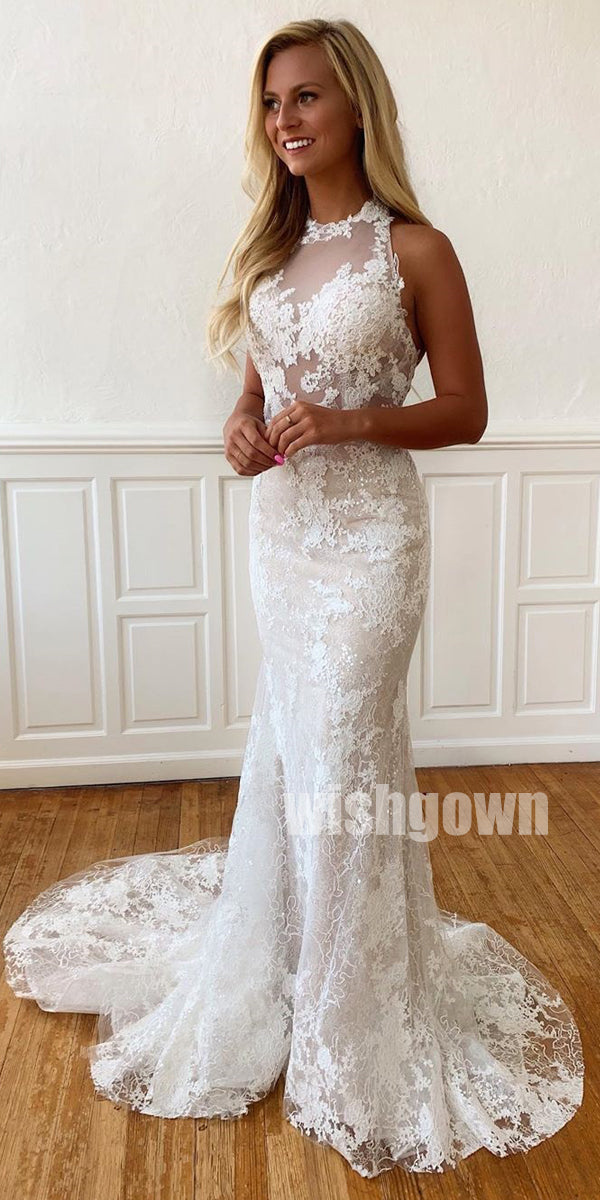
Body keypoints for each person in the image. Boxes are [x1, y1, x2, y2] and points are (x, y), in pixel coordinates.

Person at [2, 17, 584, 1180]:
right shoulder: (271, 253)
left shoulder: (417, 250)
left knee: (348, 754)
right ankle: (283, 968)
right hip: (285, 537)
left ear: (356, 103)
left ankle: (352, 1024)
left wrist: (355, 420)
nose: (287, 120)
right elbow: (257, 391)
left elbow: (467, 410)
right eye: (273, 103)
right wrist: (238, 427)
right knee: (293, 754)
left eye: (308, 96)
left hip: (371, 544)